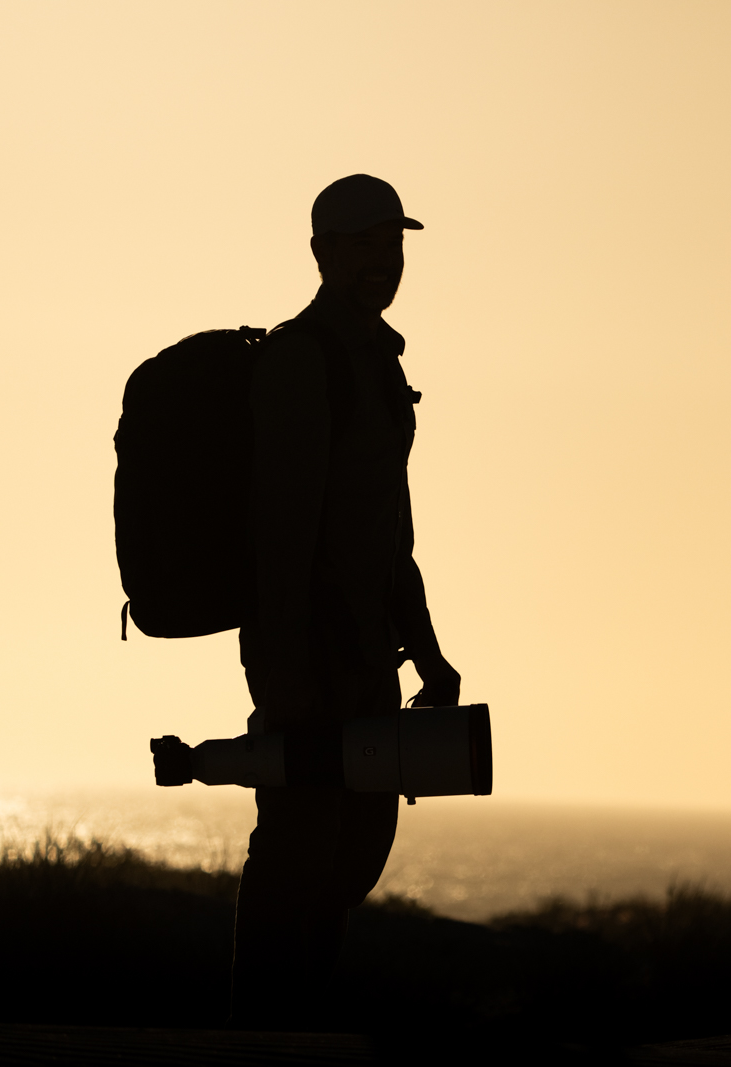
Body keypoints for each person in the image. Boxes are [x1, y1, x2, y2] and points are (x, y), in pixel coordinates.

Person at [230, 174, 461, 1025]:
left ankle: (299, 1029)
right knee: (298, 849)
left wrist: (427, 650)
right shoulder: (303, 358)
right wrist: (281, 665)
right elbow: (281, 529)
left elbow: (389, 529)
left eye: (392, 244)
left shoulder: (379, 359)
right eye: (363, 244)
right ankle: (256, 1039)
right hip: (311, 651)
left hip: (369, 653)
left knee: (353, 854)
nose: (382, 260)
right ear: (323, 253)